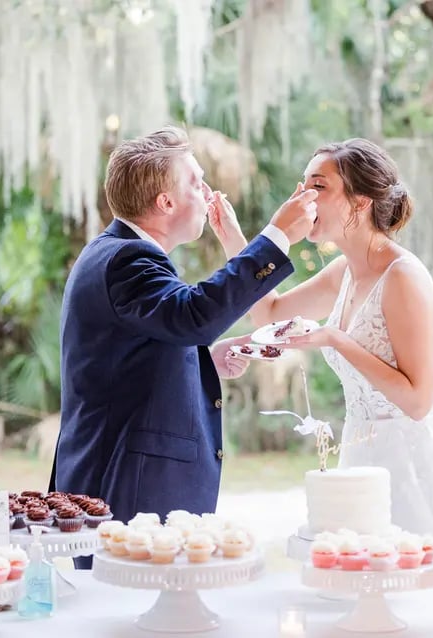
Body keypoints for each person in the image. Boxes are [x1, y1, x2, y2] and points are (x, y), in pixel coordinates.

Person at [212, 138, 433, 567]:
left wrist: (335, 339)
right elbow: (268, 313)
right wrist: (230, 235)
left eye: (319, 186)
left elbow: (419, 402)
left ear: (360, 202)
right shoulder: (343, 272)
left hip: (413, 468)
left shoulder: (402, 276)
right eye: (302, 185)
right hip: (359, 463)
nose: (302, 198)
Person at [50, 126, 317, 568]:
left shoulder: (114, 251)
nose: (207, 191)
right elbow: (193, 314)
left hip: (117, 478)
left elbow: (139, 350)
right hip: (128, 487)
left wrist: (203, 359)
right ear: (166, 202)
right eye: (196, 181)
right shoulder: (128, 259)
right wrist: (276, 237)